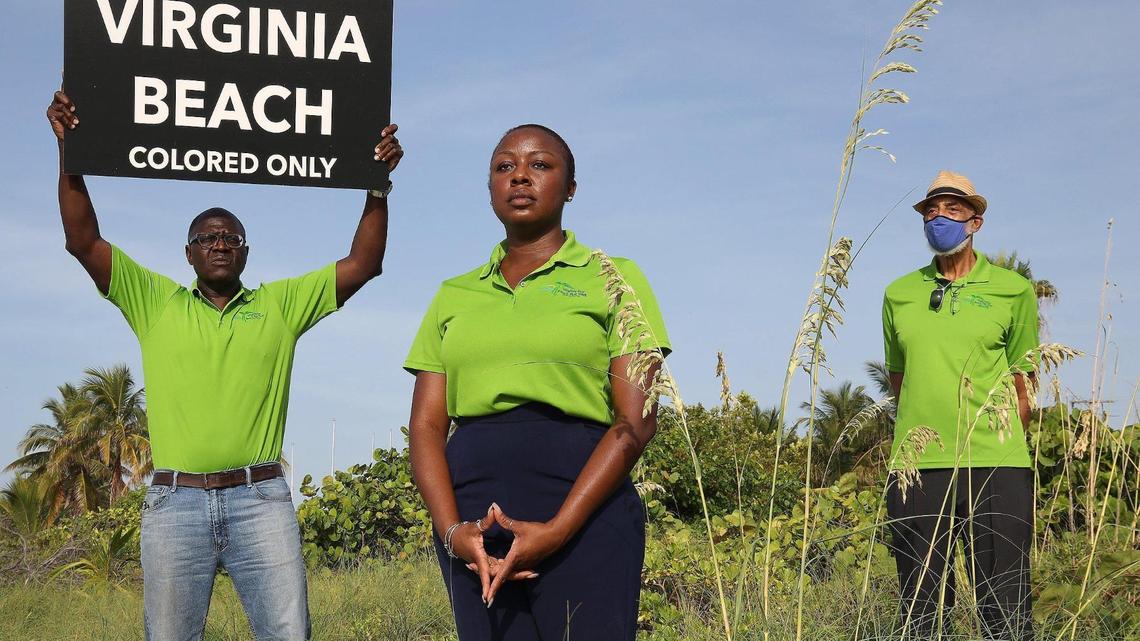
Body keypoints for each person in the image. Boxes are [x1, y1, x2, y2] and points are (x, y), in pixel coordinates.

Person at [46, 89, 403, 641]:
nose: (219, 243)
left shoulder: (280, 305)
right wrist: (72, 154)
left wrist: (376, 184)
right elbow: (82, 239)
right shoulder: (155, 302)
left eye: (230, 237)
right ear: (188, 253)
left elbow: (364, 262)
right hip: (174, 504)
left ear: (245, 252)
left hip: (260, 502)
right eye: (206, 237)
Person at [405, 124, 670, 641]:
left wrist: (559, 529)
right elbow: (426, 428)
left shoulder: (614, 277)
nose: (520, 176)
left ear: (570, 187)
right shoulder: (452, 294)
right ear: (489, 189)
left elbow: (635, 422)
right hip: (476, 520)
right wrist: (453, 532)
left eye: (540, 165)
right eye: (504, 167)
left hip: (583, 507)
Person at [882, 170, 1039, 640]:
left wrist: (1002, 437)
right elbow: (899, 379)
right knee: (921, 612)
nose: (940, 219)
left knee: (1006, 607)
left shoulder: (1013, 290)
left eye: (953, 210)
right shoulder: (899, 294)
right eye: (932, 211)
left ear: (976, 223)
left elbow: (1024, 382)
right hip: (918, 465)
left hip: (996, 462)